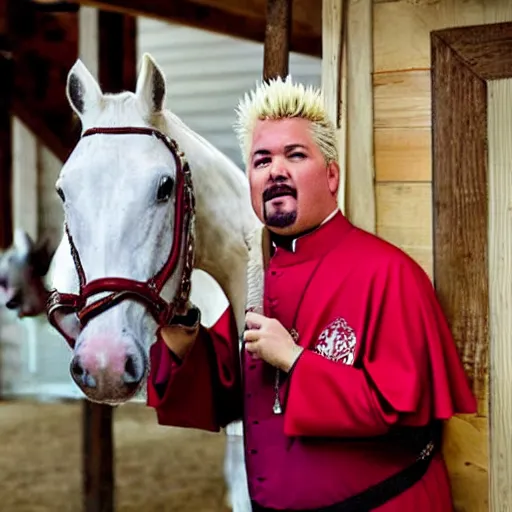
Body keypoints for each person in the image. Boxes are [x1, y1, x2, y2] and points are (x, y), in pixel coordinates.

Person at [146, 77, 477, 511]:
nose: (276, 170)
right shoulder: (259, 276)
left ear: (332, 175)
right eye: (261, 160)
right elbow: (230, 394)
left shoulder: (390, 274)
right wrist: (184, 340)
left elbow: (399, 413)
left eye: (295, 155)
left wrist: (296, 359)